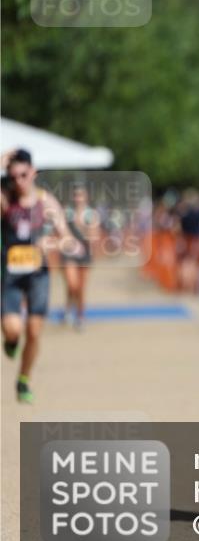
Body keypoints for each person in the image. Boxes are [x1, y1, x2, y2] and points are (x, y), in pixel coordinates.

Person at [2, 149, 83, 403]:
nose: (19, 181)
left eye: (23, 175)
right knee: (13, 329)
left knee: (35, 332)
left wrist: (54, 244)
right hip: (10, 274)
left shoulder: (45, 202)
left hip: (38, 275)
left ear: (33, 172)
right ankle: (11, 341)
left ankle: (23, 380)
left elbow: (70, 241)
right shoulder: (5, 200)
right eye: (13, 176)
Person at [59, 184, 100, 329]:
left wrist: (85, 231)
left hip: (85, 254)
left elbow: (95, 236)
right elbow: (60, 231)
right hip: (69, 253)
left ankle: (79, 315)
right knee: (72, 283)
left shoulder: (91, 214)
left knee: (81, 287)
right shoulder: (67, 212)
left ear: (86, 197)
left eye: (80, 195)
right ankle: (69, 307)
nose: (78, 198)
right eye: (76, 195)